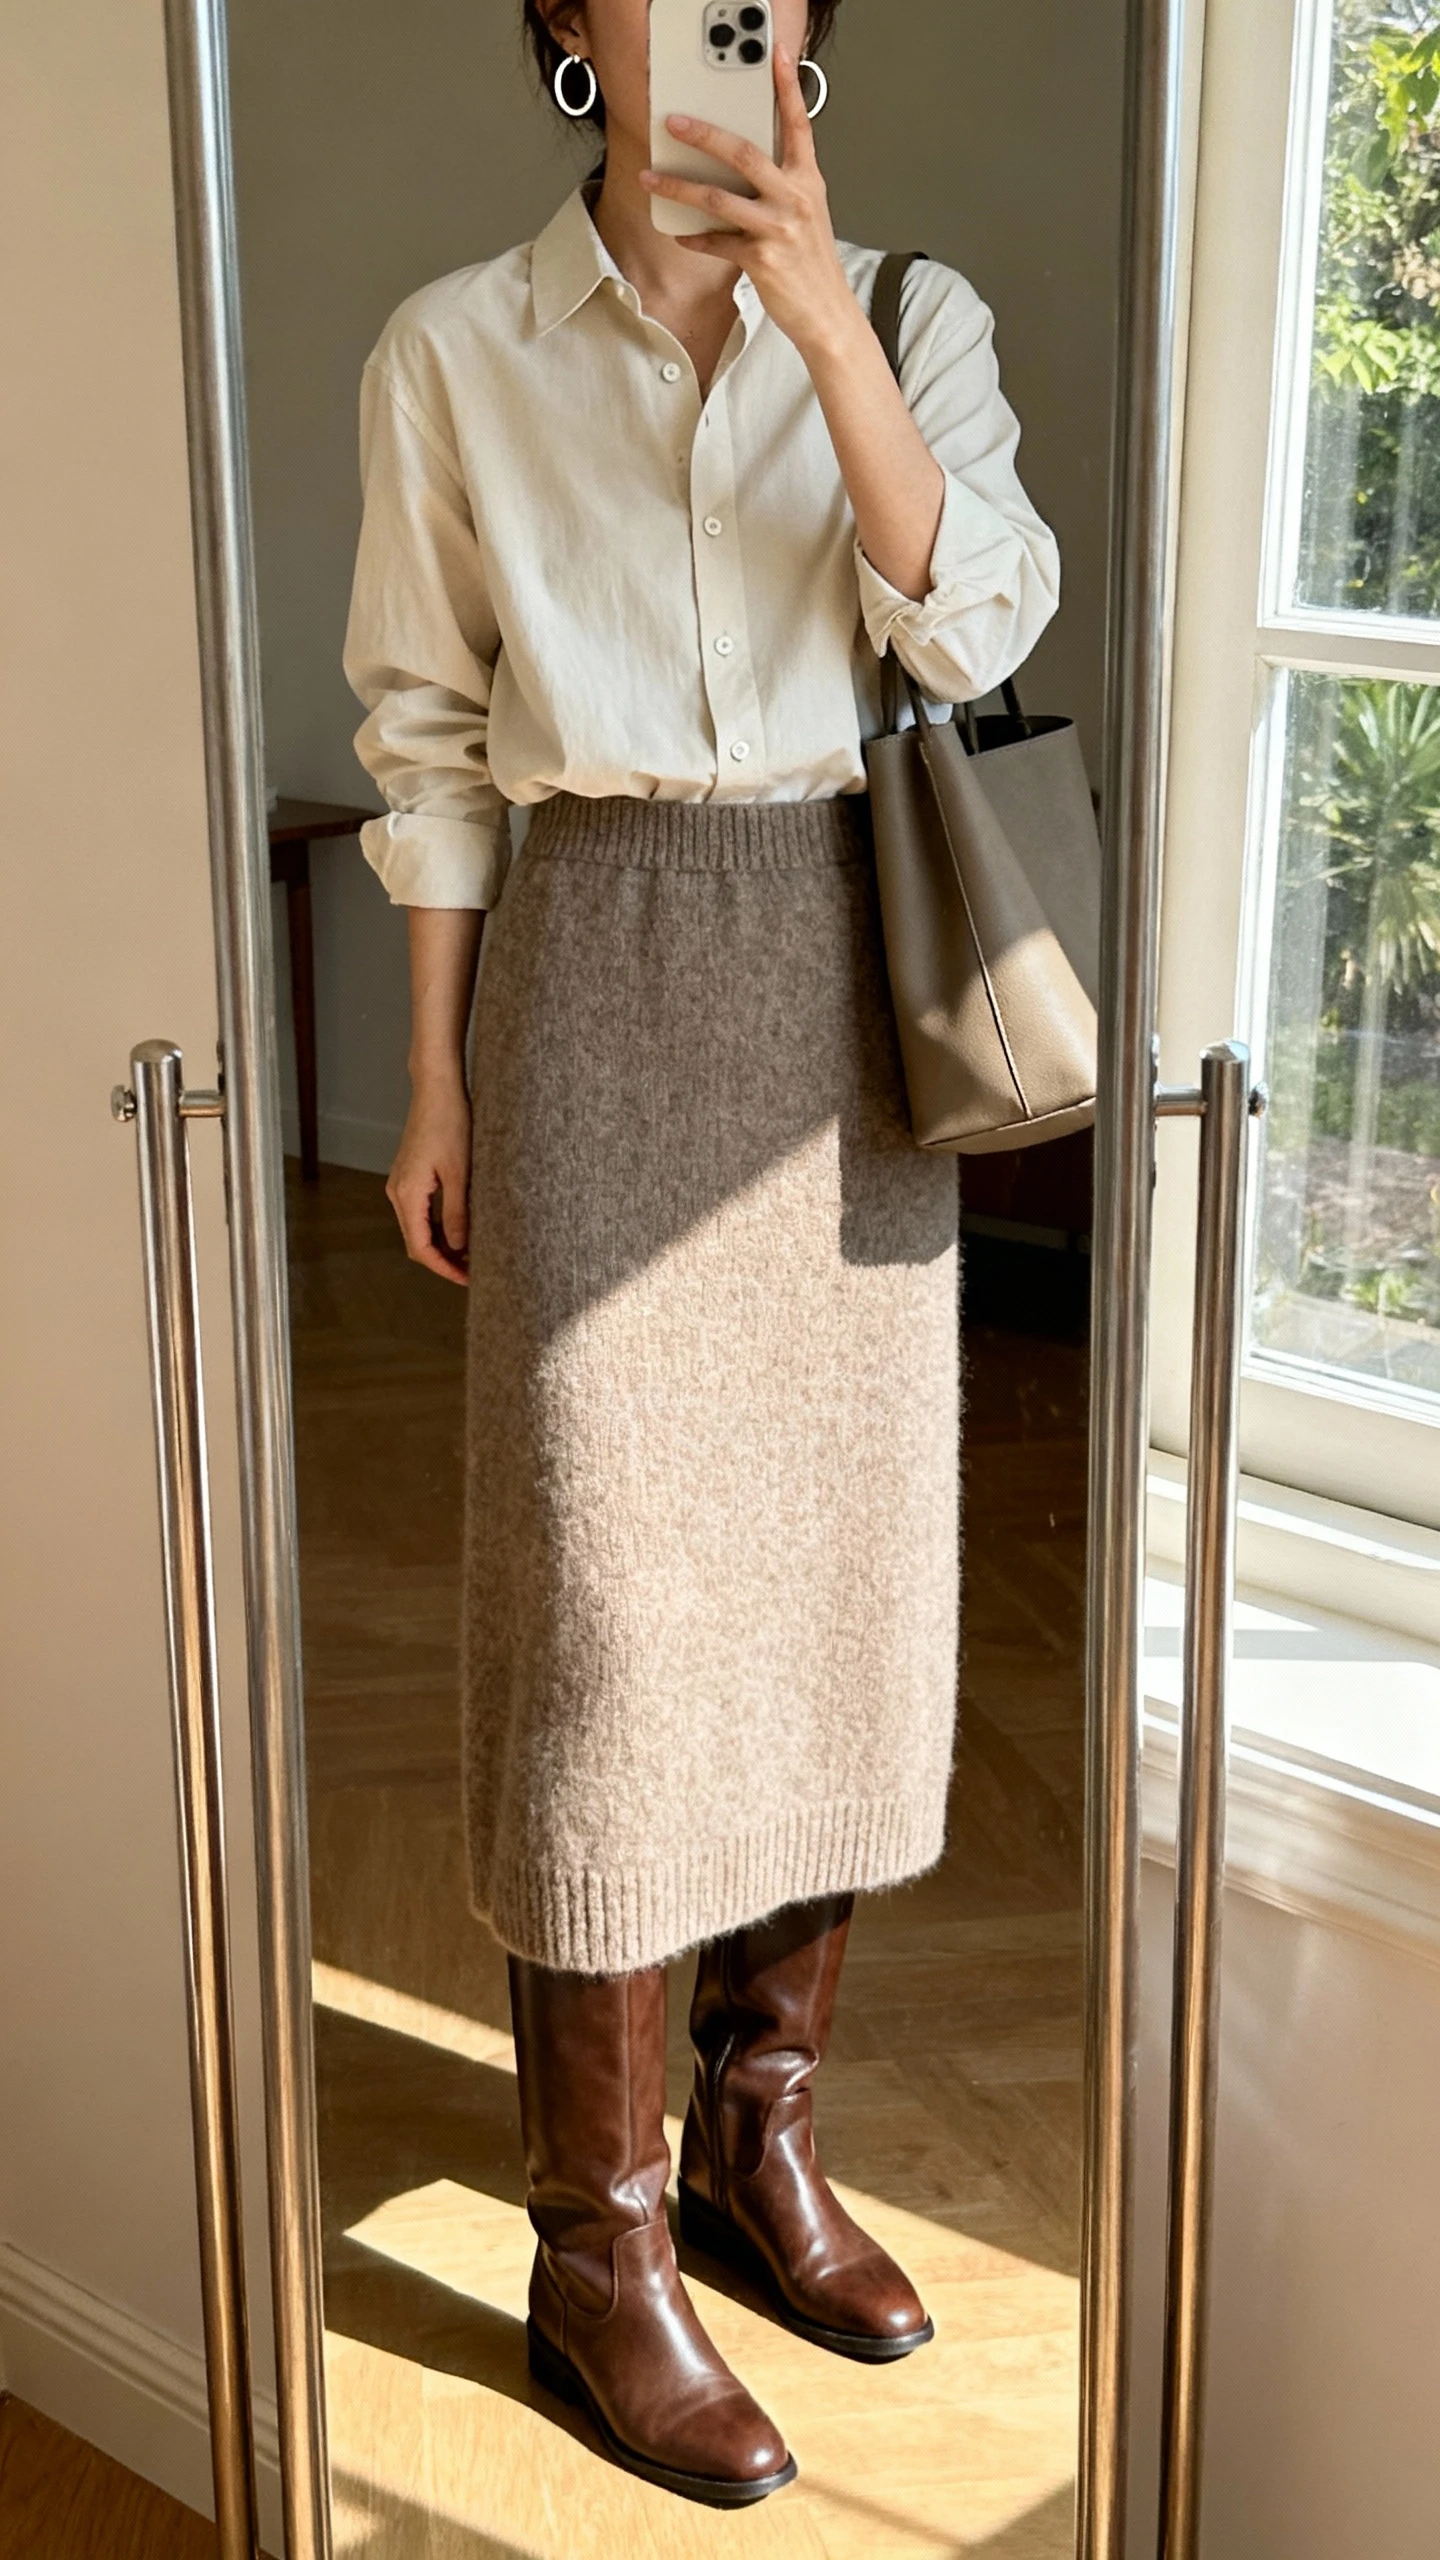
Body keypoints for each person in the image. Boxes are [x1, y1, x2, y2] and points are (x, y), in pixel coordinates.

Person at [343, 0, 1059, 2508]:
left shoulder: (919, 317)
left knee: (836, 1581)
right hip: (590, 961)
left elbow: (977, 626)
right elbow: (428, 736)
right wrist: (434, 1078)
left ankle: (765, 2130)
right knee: (613, 1616)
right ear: (567, 22)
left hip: (838, 983)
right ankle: (602, 2233)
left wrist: (828, 325)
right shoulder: (453, 346)